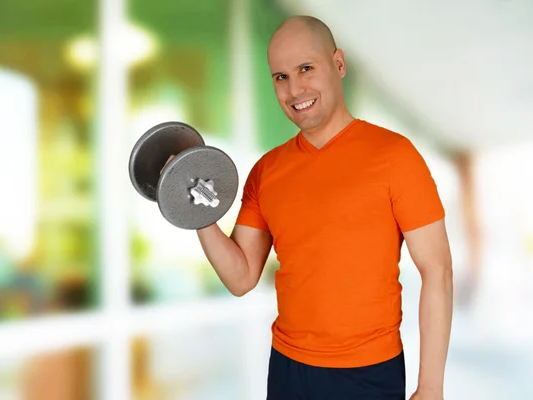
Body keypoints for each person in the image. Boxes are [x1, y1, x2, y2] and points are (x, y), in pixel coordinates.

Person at [194, 15, 453, 400]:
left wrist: (430, 387)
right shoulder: (267, 171)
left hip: (368, 373)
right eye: (280, 77)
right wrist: (197, 214)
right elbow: (241, 277)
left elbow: (438, 271)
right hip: (287, 368)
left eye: (306, 69)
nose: (294, 88)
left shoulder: (395, 156)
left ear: (339, 64)